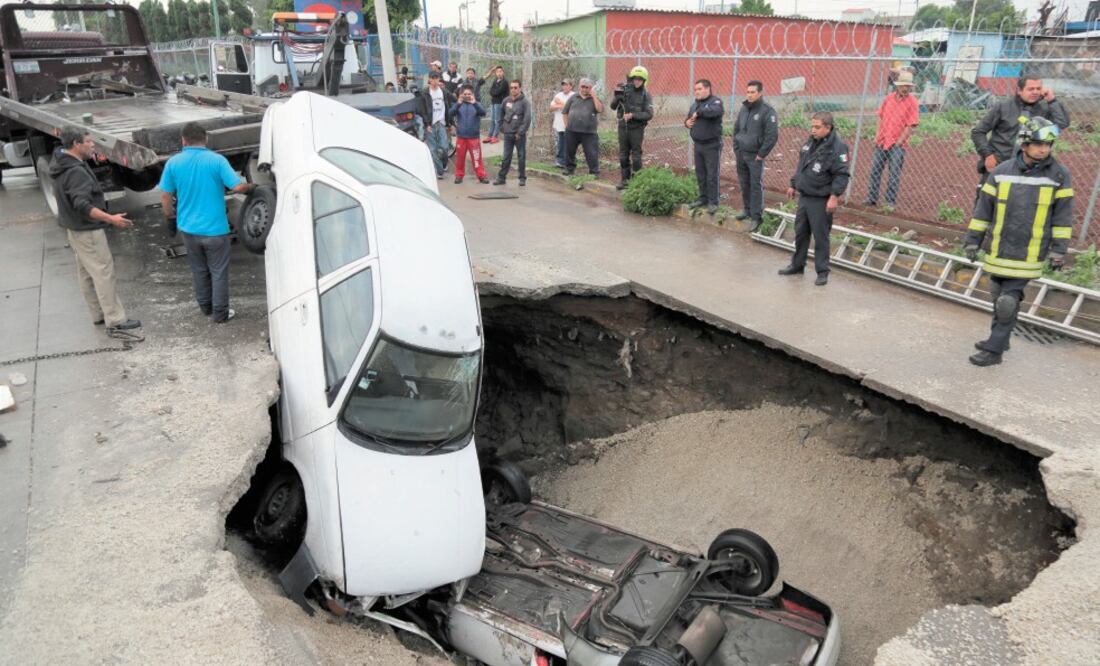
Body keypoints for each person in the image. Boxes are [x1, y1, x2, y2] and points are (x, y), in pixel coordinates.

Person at [964, 117, 1073, 367]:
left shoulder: (1058, 175)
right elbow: (983, 211)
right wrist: (972, 242)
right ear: (1024, 144)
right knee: (997, 296)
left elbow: (1063, 217)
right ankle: (1001, 339)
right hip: (999, 249)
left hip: (1029, 253)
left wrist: (1058, 251)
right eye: (1038, 144)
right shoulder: (1001, 172)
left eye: (1048, 144)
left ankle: (994, 351)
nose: (1044, 149)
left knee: (1007, 301)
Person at [158, 123, 254, 323]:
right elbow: (237, 187)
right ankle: (220, 313)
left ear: (183, 140)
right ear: (206, 139)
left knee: (199, 269)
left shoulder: (173, 163)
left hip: (188, 229)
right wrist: (253, 187)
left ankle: (206, 307)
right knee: (218, 272)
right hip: (215, 230)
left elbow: (165, 196)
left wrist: (170, 216)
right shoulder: (217, 161)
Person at [50, 126, 141, 332]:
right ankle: (115, 320)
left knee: (86, 273)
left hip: (74, 228)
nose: (93, 145)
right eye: (89, 142)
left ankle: (98, 314)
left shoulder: (60, 161)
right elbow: (82, 204)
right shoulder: (76, 171)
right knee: (103, 273)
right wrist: (111, 219)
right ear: (76, 144)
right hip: (88, 231)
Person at [779, 112, 851, 286]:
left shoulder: (838, 147)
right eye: (812, 126)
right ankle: (797, 265)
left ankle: (822, 271)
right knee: (801, 233)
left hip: (821, 199)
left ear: (828, 127)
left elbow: (841, 175)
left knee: (820, 237)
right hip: (805, 197)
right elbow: (801, 166)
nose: (813, 130)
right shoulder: (810, 142)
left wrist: (834, 196)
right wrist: (793, 184)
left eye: (817, 127)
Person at [971, 75, 1069, 193]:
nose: (1035, 92)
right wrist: (988, 155)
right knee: (988, 199)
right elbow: (978, 132)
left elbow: (1062, 123)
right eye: (1031, 89)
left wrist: (1052, 101)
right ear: (1019, 90)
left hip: (1031, 169)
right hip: (1000, 165)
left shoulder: (1045, 109)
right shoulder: (1003, 107)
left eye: (1038, 88)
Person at [864, 71, 919, 212]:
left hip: (897, 143)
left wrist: (899, 141)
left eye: (908, 86)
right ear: (897, 85)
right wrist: (877, 135)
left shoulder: (912, 102)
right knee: (875, 170)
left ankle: (890, 202)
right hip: (882, 140)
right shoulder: (888, 98)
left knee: (894, 173)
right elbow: (880, 117)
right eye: (903, 85)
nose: (905, 88)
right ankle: (871, 198)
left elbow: (910, 125)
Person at [732, 79, 778, 229]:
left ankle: (756, 217)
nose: (749, 95)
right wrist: (736, 147)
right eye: (748, 92)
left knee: (755, 185)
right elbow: (736, 129)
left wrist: (761, 154)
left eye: (753, 92)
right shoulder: (744, 108)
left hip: (755, 156)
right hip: (741, 153)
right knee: (744, 183)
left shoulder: (767, 111)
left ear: (760, 93)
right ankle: (747, 210)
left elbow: (772, 136)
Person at [610, 66, 654, 190]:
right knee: (623, 155)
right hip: (623, 128)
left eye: (640, 79)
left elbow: (649, 114)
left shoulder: (646, 95)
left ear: (644, 80)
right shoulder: (625, 91)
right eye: (635, 78)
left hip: (636, 129)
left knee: (636, 157)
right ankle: (625, 181)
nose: (637, 81)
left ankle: (637, 183)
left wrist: (633, 115)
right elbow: (612, 107)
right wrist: (617, 96)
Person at [685, 79, 724, 215]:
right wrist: (687, 123)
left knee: (712, 174)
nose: (697, 92)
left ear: (708, 89)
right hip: (698, 144)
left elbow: (714, 112)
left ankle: (713, 202)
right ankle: (703, 198)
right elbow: (688, 119)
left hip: (712, 145)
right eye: (695, 89)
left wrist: (699, 112)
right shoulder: (694, 105)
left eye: (699, 89)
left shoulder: (715, 102)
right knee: (700, 173)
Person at [416, 71, 455, 179]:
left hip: (441, 123)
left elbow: (449, 106)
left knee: (445, 147)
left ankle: (443, 164)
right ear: (429, 79)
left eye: (436, 78)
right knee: (433, 150)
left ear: (439, 79)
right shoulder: (425, 92)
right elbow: (423, 110)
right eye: (432, 78)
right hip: (430, 125)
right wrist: (427, 124)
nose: (434, 80)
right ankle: (439, 171)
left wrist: (451, 123)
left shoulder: (443, 91)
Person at [562, 78, 604, 177]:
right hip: (572, 131)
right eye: (582, 87)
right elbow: (565, 112)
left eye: (587, 87)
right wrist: (567, 126)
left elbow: (599, 109)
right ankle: (569, 169)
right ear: (579, 86)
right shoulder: (573, 97)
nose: (584, 89)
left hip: (589, 132)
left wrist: (594, 96)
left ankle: (594, 172)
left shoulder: (594, 99)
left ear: (590, 88)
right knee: (569, 152)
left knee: (591, 153)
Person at [494, 79, 531, 186]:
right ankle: (501, 178)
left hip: (519, 135)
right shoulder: (506, 101)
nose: (513, 89)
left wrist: (520, 132)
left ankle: (522, 178)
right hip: (508, 134)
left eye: (515, 87)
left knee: (521, 156)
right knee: (506, 157)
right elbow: (500, 114)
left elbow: (527, 119)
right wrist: (502, 127)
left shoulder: (525, 102)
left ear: (520, 88)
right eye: (511, 88)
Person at [452, 84, 489, 184]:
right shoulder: (459, 104)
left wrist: (474, 103)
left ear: (472, 94)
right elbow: (451, 112)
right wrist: (458, 103)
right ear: (461, 94)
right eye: (465, 94)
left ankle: (481, 176)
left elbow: (483, 113)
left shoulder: (477, 104)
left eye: (469, 94)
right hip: (461, 137)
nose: (467, 96)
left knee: (477, 158)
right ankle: (459, 176)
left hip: (473, 137)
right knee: (460, 158)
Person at [550, 78, 575, 168]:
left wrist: (559, 103)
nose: (564, 86)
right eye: (563, 85)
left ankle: (567, 161)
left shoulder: (574, 96)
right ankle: (560, 161)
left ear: (571, 86)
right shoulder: (558, 95)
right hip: (559, 124)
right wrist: (562, 105)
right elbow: (551, 108)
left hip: (570, 124)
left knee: (568, 143)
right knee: (560, 143)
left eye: (566, 85)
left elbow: (572, 108)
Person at [486, 66, 508, 144]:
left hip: (500, 103)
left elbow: (498, 91)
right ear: (495, 73)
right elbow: (491, 91)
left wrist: (494, 92)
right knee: (492, 120)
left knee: (497, 120)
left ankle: (495, 137)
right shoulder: (495, 81)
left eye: (500, 71)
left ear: (503, 72)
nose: (499, 73)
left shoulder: (504, 82)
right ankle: (490, 136)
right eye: (497, 72)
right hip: (494, 102)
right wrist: (494, 92)